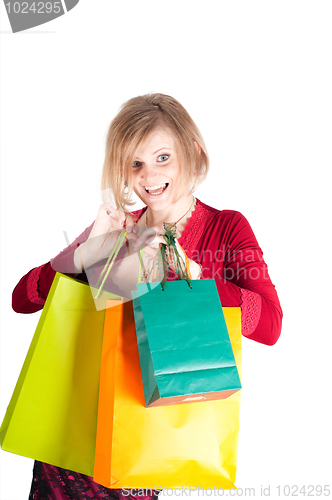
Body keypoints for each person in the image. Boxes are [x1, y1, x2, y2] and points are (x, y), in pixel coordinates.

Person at [12, 93, 282, 499]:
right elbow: (24, 299)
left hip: (139, 442)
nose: (148, 175)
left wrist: (192, 277)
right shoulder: (119, 228)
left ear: (191, 152)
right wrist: (82, 252)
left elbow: (270, 325)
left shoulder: (226, 229)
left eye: (162, 158)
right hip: (69, 442)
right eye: (134, 163)